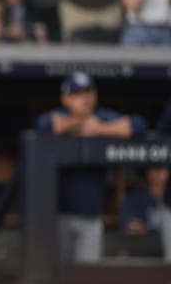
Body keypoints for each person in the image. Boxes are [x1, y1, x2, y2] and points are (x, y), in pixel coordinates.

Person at [36, 71, 147, 264]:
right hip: (59, 216)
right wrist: (77, 124)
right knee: (55, 273)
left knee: (86, 276)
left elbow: (138, 126)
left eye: (89, 92)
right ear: (66, 99)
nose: (86, 98)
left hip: (92, 218)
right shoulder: (61, 116)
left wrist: (99, 129)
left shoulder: (102, 117)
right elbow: (44, 126)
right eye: (79, 93)